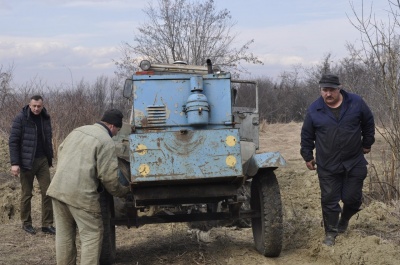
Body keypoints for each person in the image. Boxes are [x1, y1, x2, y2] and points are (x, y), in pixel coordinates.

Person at [46, 109, 131, 265]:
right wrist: (125, 191)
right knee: (91, 235)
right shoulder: (105, 141)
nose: (116, 134)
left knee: (64, 236)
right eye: (117, 131)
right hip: (81, 195)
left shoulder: (77, 131)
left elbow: (60, 153)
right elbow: (109, 179)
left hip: (58, 190)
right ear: (112, 126)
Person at [300, 74, 375, 246]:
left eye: (331, 90)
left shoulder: (356, 102)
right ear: (320, 90)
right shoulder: (314, 110)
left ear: (339, 87)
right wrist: (307, 155)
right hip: (327, 164)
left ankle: (344, 220)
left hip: (354, 161)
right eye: (324, 90)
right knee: (329, 200)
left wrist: (367, 142)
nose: (328, 94)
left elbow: (368, 122)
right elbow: (307, 135)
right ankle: (331, 233)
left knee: (353, 199)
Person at [9, 95, 55, 235]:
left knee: (48, 192)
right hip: (26, 161)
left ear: (42, 106)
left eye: (39, 106)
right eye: (34, 106)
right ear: (29, 105)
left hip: (42, 160)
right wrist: (15, 163)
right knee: (27, 194)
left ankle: (47, 224)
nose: (36, 108)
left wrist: (50, 157)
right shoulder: (21, 118)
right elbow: (13, 141)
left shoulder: (45, 118)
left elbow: (47, 138)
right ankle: (26, 223)